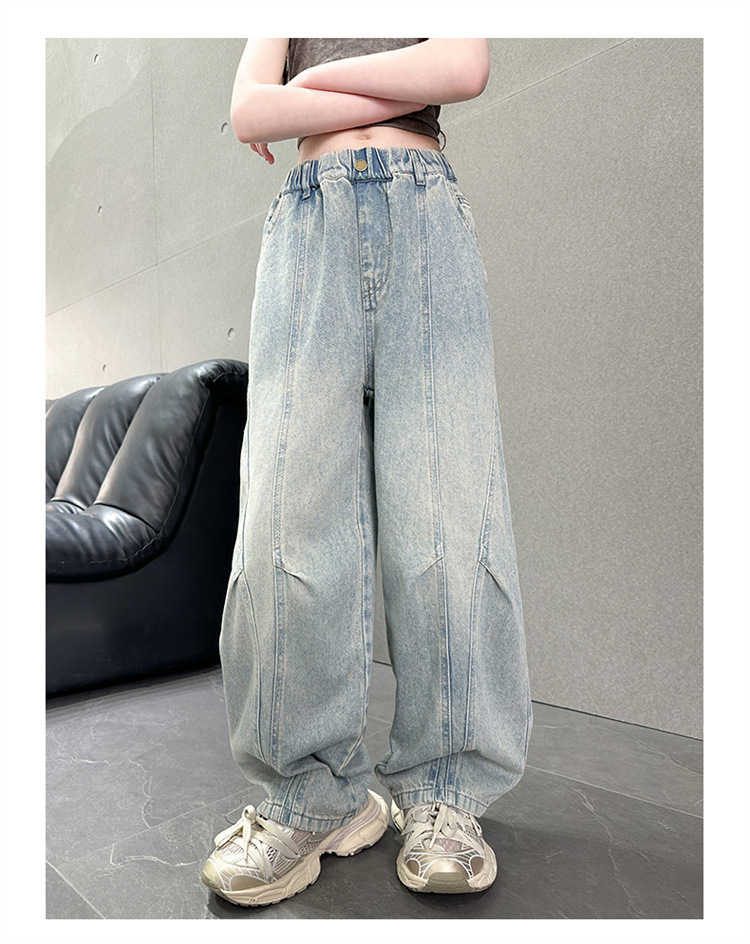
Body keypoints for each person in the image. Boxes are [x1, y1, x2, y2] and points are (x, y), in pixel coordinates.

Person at [200, 38, 532, 908]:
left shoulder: (313, 60)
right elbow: (249, 109)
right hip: (308, 224)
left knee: (447, 512)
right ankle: (312, 799)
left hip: (426, 215)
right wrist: (365, 87)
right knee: (287, 521)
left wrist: (310, 85)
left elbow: (461, 68)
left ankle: (447, 793)